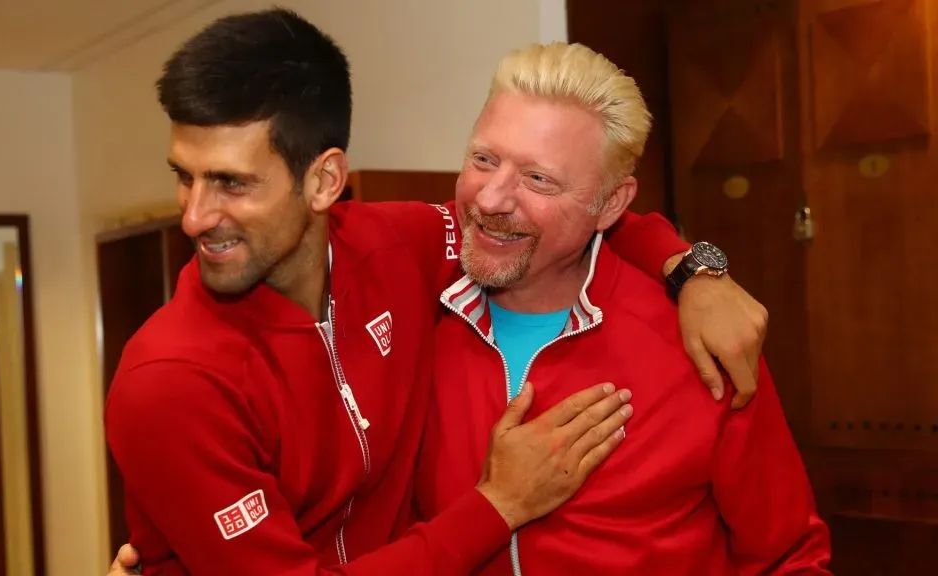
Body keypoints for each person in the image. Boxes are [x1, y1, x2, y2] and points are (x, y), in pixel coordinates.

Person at [104, 9, 770, 575]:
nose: (193, 216)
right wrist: (498, 504)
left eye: (231, 183)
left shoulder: (397, 248)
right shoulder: (169, 382)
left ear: (325, 180)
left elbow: (555, 223)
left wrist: (692, 270)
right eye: (184, 178)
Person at [415, 42, 831, 575]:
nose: (492, 198)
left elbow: (790, 558)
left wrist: (692, 270)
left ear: (610, 203)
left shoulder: (701, 344)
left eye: (538, 178)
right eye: (483, 160)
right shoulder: (410, 314)